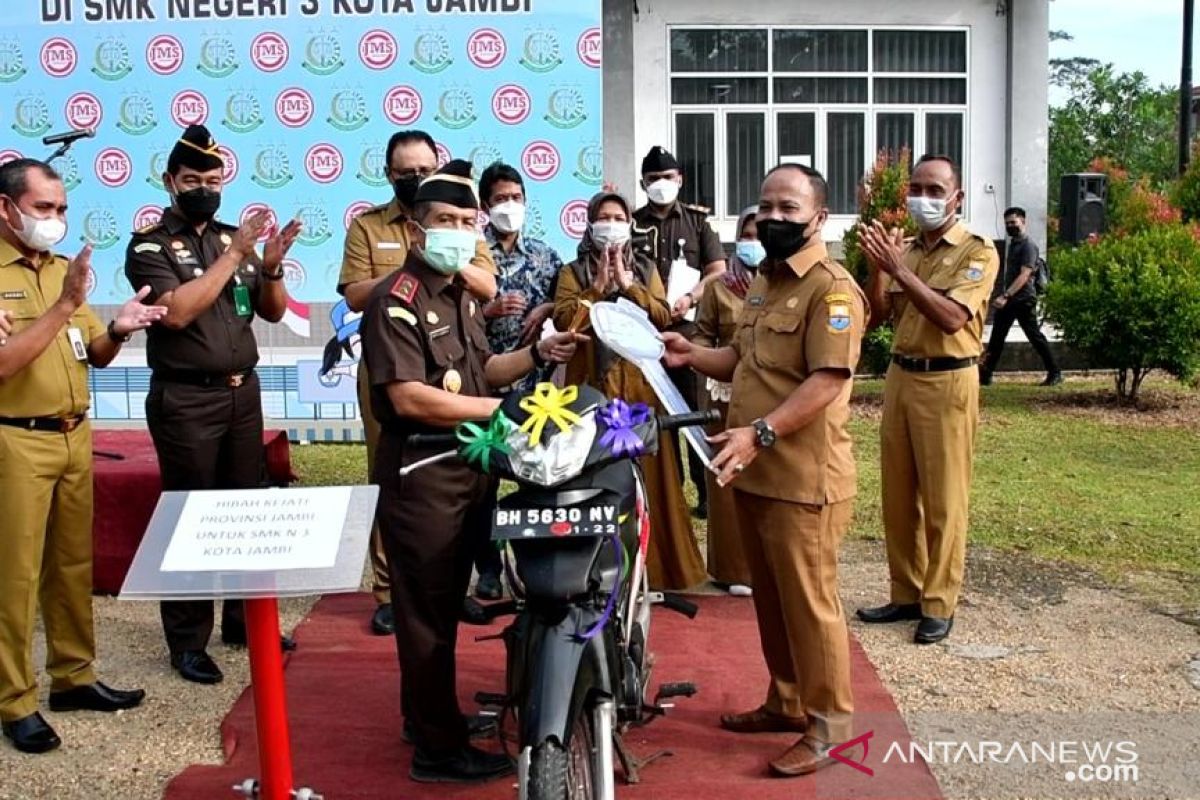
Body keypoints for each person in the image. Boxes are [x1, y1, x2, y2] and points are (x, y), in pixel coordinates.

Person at [360, 159, 581, 783]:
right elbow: (409, 397)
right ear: (416, 231)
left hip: (467, 474)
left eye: (466, 221)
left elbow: (483, 375)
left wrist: (536, 356)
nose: (459, 231)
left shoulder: (458, 295)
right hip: (424, 479)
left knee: (444, 606)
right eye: (445, 221)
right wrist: (504, 409)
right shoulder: (395, 302)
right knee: (426, 617)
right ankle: (437, 750)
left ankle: (429, 718)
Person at [662, 163, 867, 777]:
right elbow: (744, 360)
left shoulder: (832, 290)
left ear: (819, 219)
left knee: (810, 604)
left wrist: (761, 432)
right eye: (766, 206)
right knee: (773, 601)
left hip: (804, 478)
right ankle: (786, 701)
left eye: (789, 209)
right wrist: (691, 352)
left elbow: (828, 380)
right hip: (754, 473)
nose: (774, 219)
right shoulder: (764, 284)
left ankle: (830, 727)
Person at [124, 125, 302, 684]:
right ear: (170, 182)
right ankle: (187, 640)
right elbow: (176, 312)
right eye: (193, 179)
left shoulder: (233, 239)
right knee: (189, 517)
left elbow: (270, 313)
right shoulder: (150, 245)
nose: (204, 188)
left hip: (240, 392)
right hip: (186, 398)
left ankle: (243, 623)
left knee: (245, 511)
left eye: (213, 179)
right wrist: (236, 255)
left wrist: (269, 264)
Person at [0, 158, 162, 753]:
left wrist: (119, 328)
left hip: (74, 435)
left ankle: (73, 676)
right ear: (6, 208)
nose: (55, 220)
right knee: (13, 576)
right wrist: (64, 307)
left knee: (71, 565)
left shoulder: (62, 270)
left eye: (62, 209)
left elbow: (93, 353)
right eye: (43, 209)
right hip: (15, 438)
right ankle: (14, 701)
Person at [338, 130, 497, 636]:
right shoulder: (367, 227)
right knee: (395, 475)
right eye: (405, 172)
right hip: (391, 364)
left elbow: (487, 283)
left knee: (465, 477)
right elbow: (355, 294)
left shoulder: (456, 223)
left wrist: (445, 258)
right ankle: (390, 588)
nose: (415, 177)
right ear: (390, 175)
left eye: (423, 169)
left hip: (452, 363)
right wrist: (412, 273)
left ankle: (453, 584)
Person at [856, 154, 999, 645]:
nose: (924, 197)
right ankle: (906, 592)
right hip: (902, 374)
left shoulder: (976, 251)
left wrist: (902, 269)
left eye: (935, 190)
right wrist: (880, 270)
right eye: (917, 188)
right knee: (898, 496)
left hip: (948, 380)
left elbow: (953, 317)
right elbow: (878, 315)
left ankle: (939, 602)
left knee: (944, 499)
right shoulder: (909, 250)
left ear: (956, 197)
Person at [554, 191, 706, 591]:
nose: (611, 223)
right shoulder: (573, 271)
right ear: (589, 225)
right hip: (593, 390)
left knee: (649, 477)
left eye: (618, 216)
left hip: (641, 389)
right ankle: (595, 573)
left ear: (629, 223)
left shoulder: (645, 267)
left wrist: (629, 285)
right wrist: (597, 291)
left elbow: (662, 316)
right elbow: (566, 322)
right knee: (596, 478)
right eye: (602, 217)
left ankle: (656, 569)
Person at [473, 161, 563, 600]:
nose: (510, 205)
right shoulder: (472, 254)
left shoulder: (546, 256)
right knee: (483, 482)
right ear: (485, 206)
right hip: (483, 387)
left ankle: (536, 562)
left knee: (538, 477)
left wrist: (546, 310)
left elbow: (566, 304)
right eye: (501, 199)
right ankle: (488, 568)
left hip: (537, 389)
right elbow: (453, 312)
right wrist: (486, 311)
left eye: (516, 197)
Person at [633, 146, 726, 519]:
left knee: (693, 412)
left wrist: (691, 296)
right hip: (642, 334)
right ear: (643, 183)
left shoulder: (697, 222)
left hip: (688, 333)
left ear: (680, 180)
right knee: (653, 414)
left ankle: (705, 492)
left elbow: (717, 269)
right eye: (653, 179)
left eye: (667, 178)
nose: (660, 185)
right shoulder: (632, 223)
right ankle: (667, 490)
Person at [692, 206, 759, 596]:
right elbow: (701, 335)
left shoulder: (779, 283)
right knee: (726, 477)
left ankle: (766, 565)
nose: (755, 243)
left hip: (768, 394)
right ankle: (732, 568)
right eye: (747, 235)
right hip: (724, 392)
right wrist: (709, 359)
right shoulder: (719, 287)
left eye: (760, 234)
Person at [979, 206, 1061, 386]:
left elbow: (1025, 275)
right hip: (1010, 300)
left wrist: (1006, 295)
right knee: (997, 338)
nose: (1010, 226)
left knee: (1035, 337)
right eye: (1007, 223)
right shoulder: (1014, 244)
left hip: (1023, 299)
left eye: (1013, 222)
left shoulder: (1028, 246)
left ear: (1023, 222)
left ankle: (1055, 372)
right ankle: (986, 374)